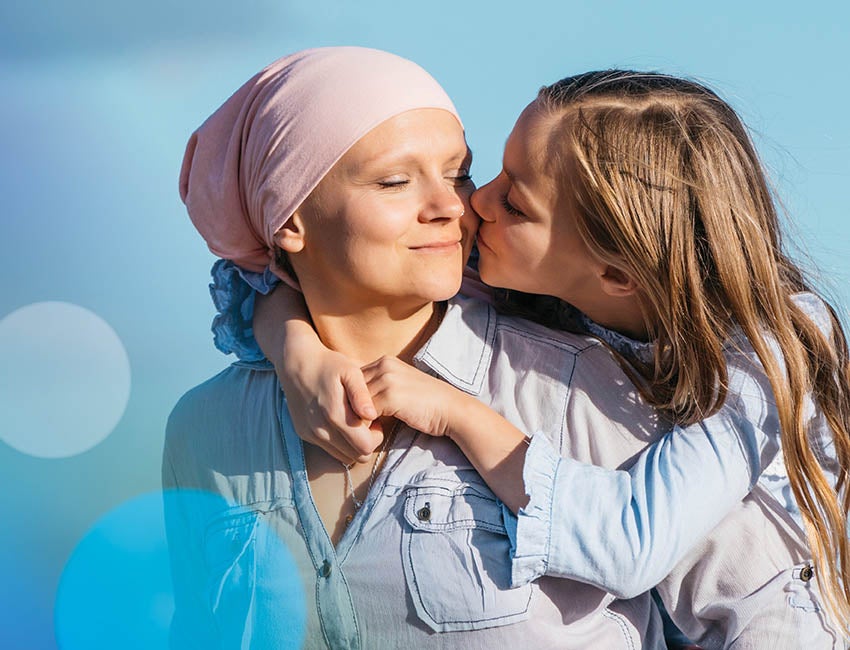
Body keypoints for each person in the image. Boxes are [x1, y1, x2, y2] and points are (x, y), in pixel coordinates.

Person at [242, 71, 849, 647]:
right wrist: (298, 352)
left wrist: (454, 412)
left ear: (614, 271)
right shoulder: (540, 276)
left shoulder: (774, 347)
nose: (475, 203)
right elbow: (273, 266)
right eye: (493, 174)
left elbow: (632, 544)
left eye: (517, 203)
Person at [164, 47, 669, 649]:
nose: (453, 206)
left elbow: (741, 608)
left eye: (459, 173)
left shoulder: (576, 386)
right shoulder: (204, 429)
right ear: (289, 219)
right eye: (396, 181)